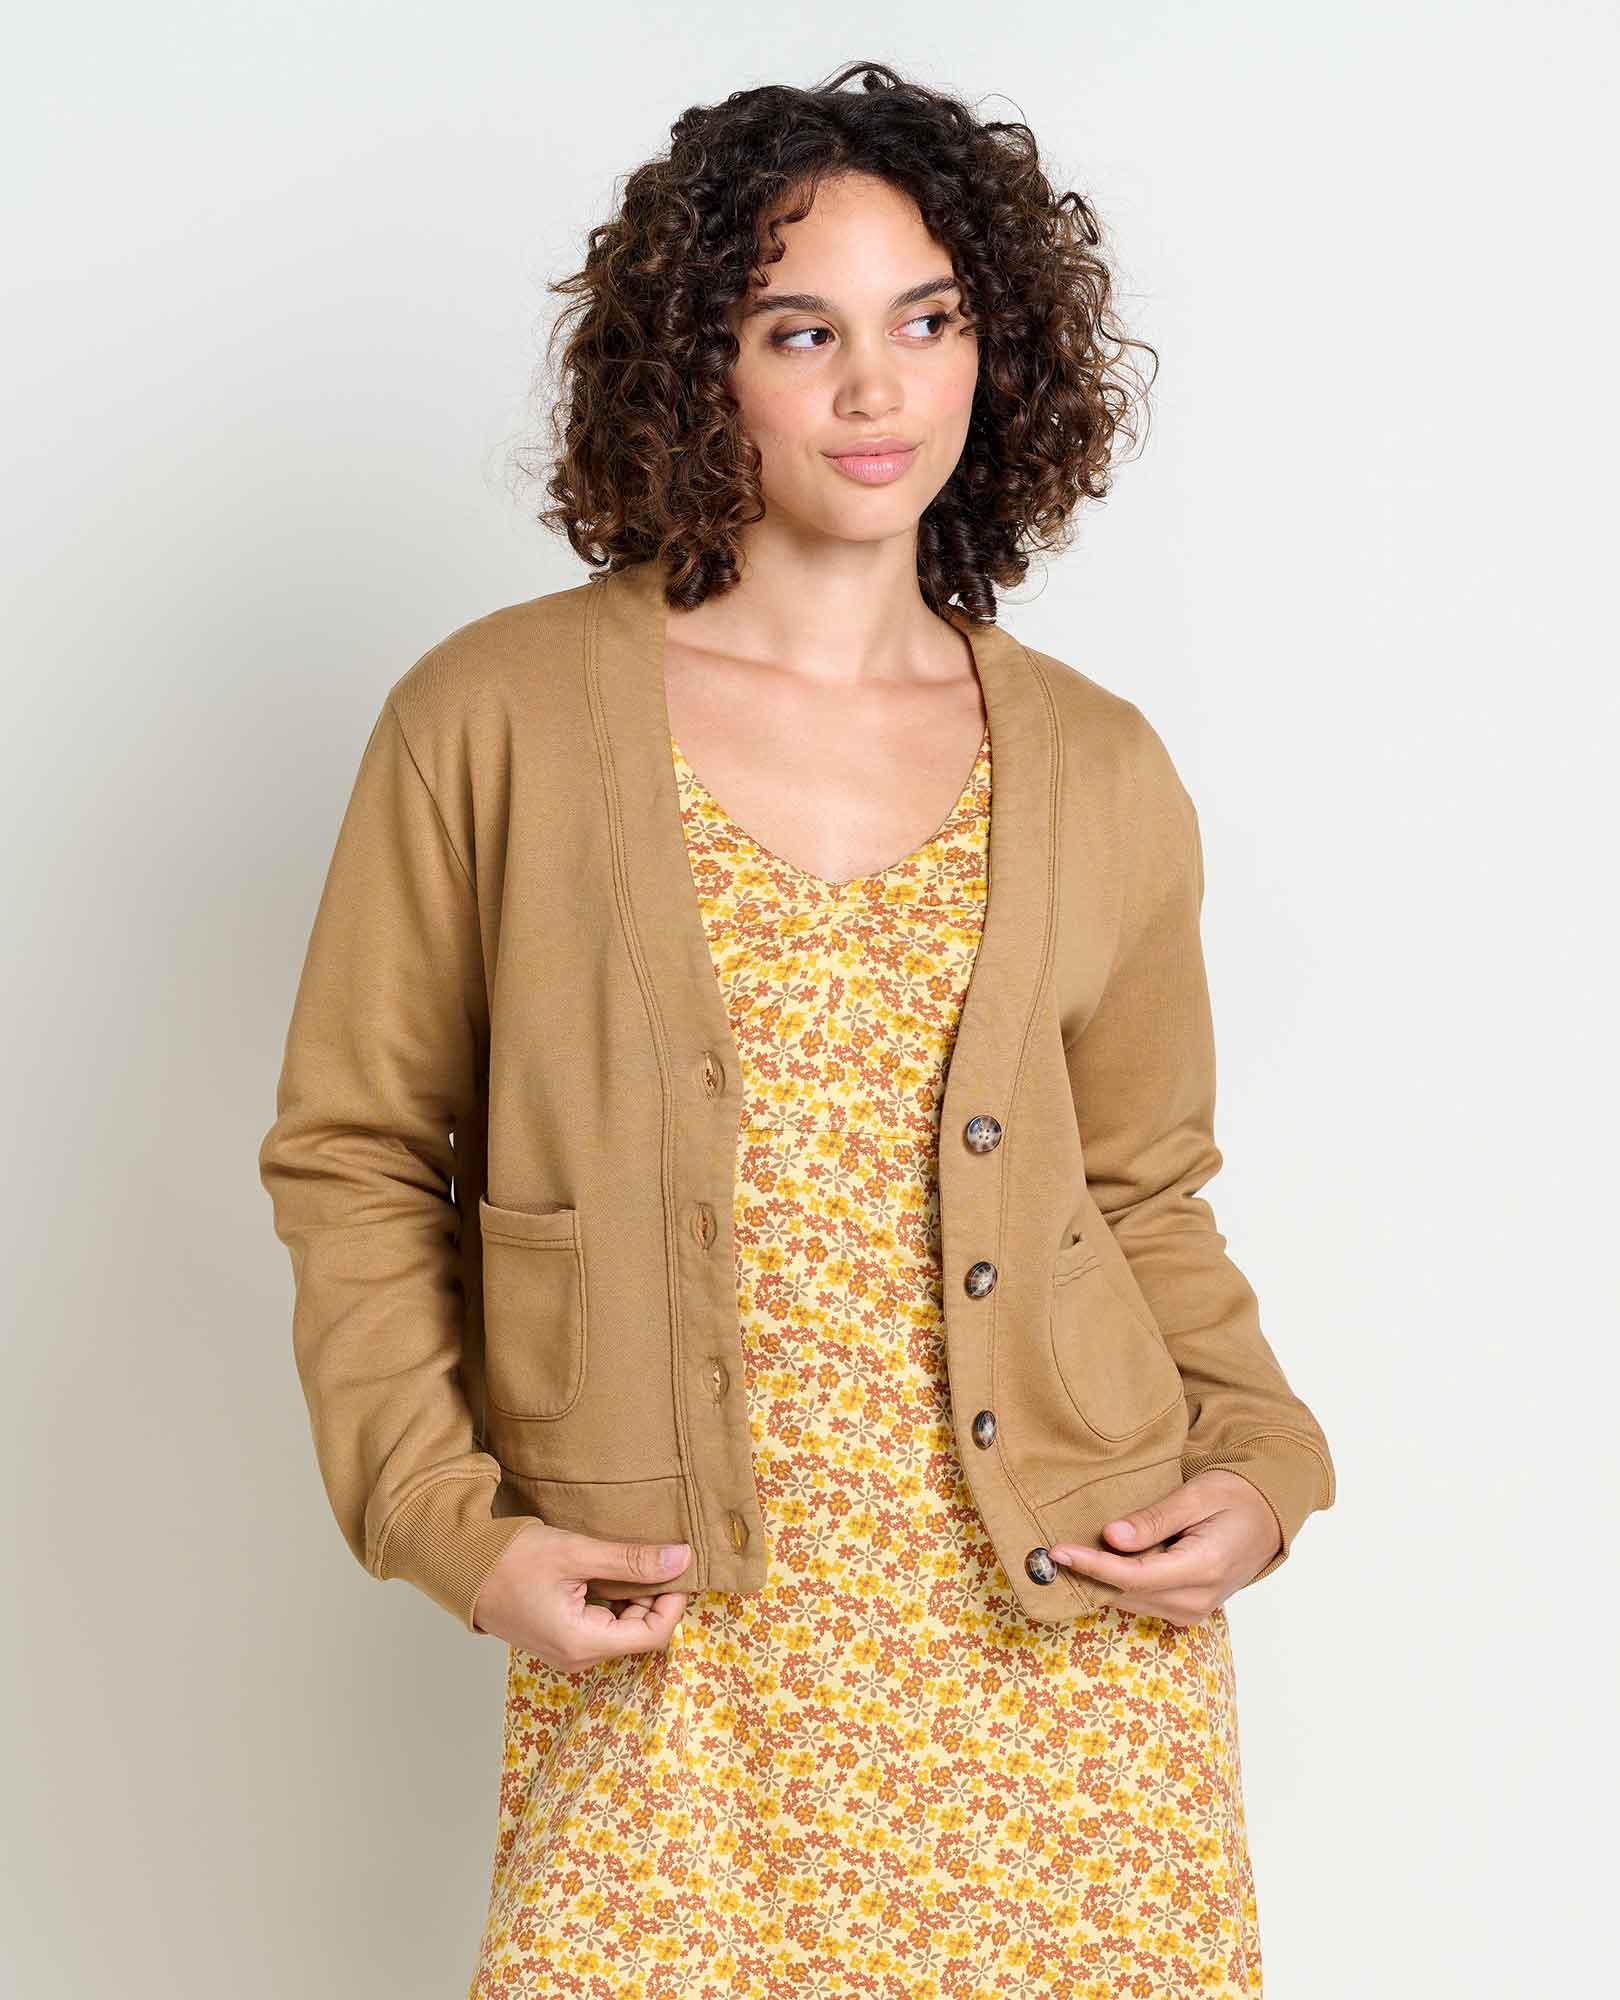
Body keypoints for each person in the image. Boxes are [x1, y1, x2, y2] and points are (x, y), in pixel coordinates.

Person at [259, 60, 1335, 1999]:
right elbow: (356, 1156)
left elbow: (1143, 1188)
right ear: (700, 365)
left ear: (997, 350)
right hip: (684, 1645)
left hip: (1066, 1659)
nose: (875, 388)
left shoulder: (1097, 764)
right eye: (800, 330)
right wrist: (448, 1522)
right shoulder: (492, 721)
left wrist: (1258, 1463)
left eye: (928, 319)